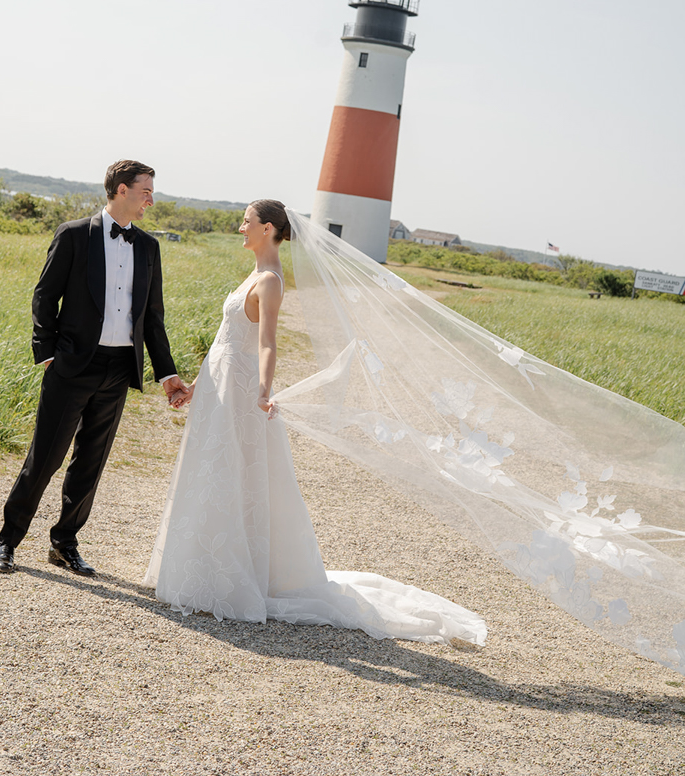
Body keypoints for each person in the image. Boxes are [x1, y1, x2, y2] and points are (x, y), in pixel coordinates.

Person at [143, 200, 486, 645]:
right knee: (212, 471)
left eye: (246, 223)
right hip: (218, 387)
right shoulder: (254, 272)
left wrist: (264, 389)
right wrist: (199, 385)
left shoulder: (269, 281)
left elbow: (266, 343)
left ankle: (230, 574)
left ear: (267, 229)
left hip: (241, 391)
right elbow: (228, 338)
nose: (239, 228)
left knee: (235, 474)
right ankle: (201, 566)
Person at [0, 159, 189, 577]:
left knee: (90, 463)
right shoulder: (75, 234)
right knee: (44, 457)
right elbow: (45, 295)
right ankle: (8, 540)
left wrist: (167, 374)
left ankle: (64, 542)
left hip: (119, 368)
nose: (151, 199)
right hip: (72, 364)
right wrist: (46, 351)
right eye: (145, 190)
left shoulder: (149, 247)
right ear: (121, 189)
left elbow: (153, 319)